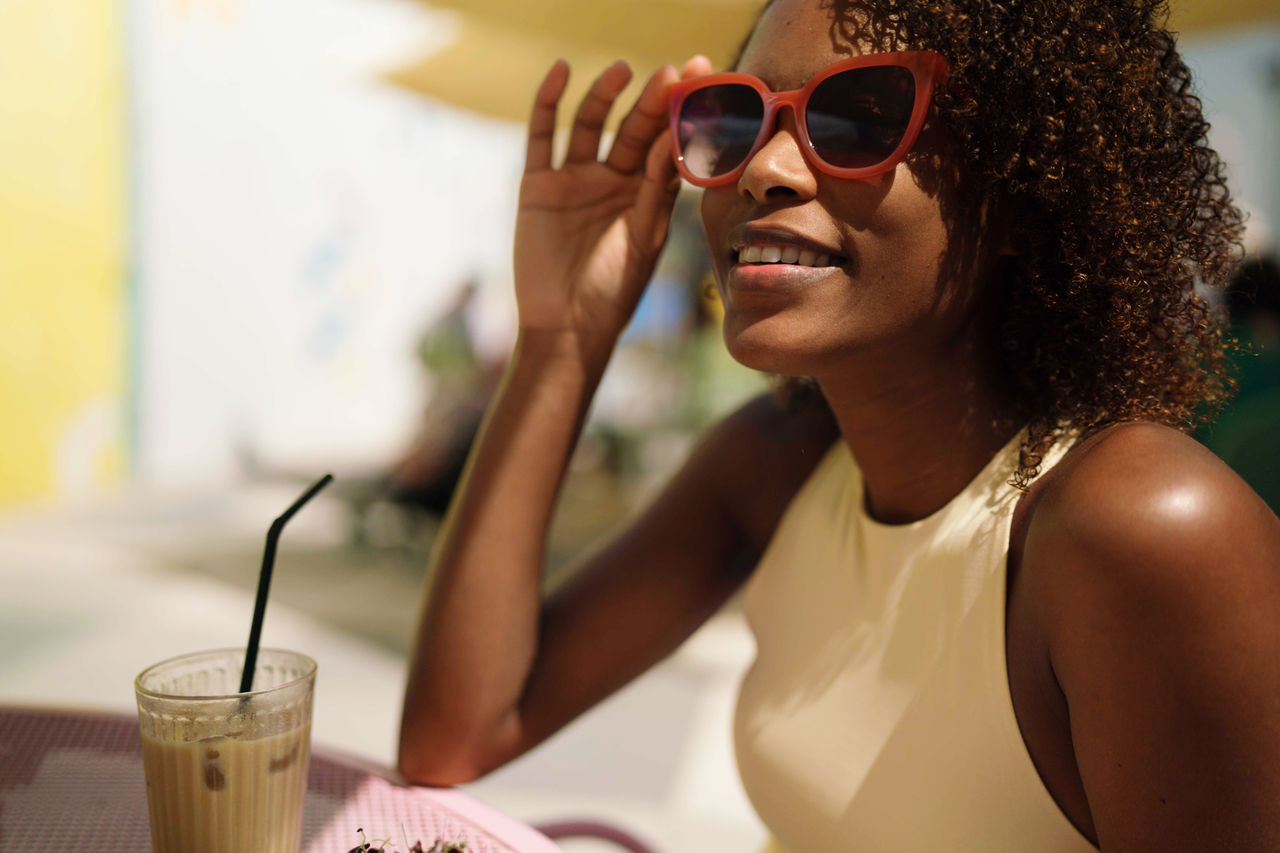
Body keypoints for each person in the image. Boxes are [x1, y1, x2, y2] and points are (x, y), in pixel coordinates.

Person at [397, 0, 1280, 849]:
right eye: (735, 120)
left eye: (858, 117)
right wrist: (560, 339)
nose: (762, 169)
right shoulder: (774, 465)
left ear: (1022, 188)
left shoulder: (1144, 528)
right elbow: (460, 733)